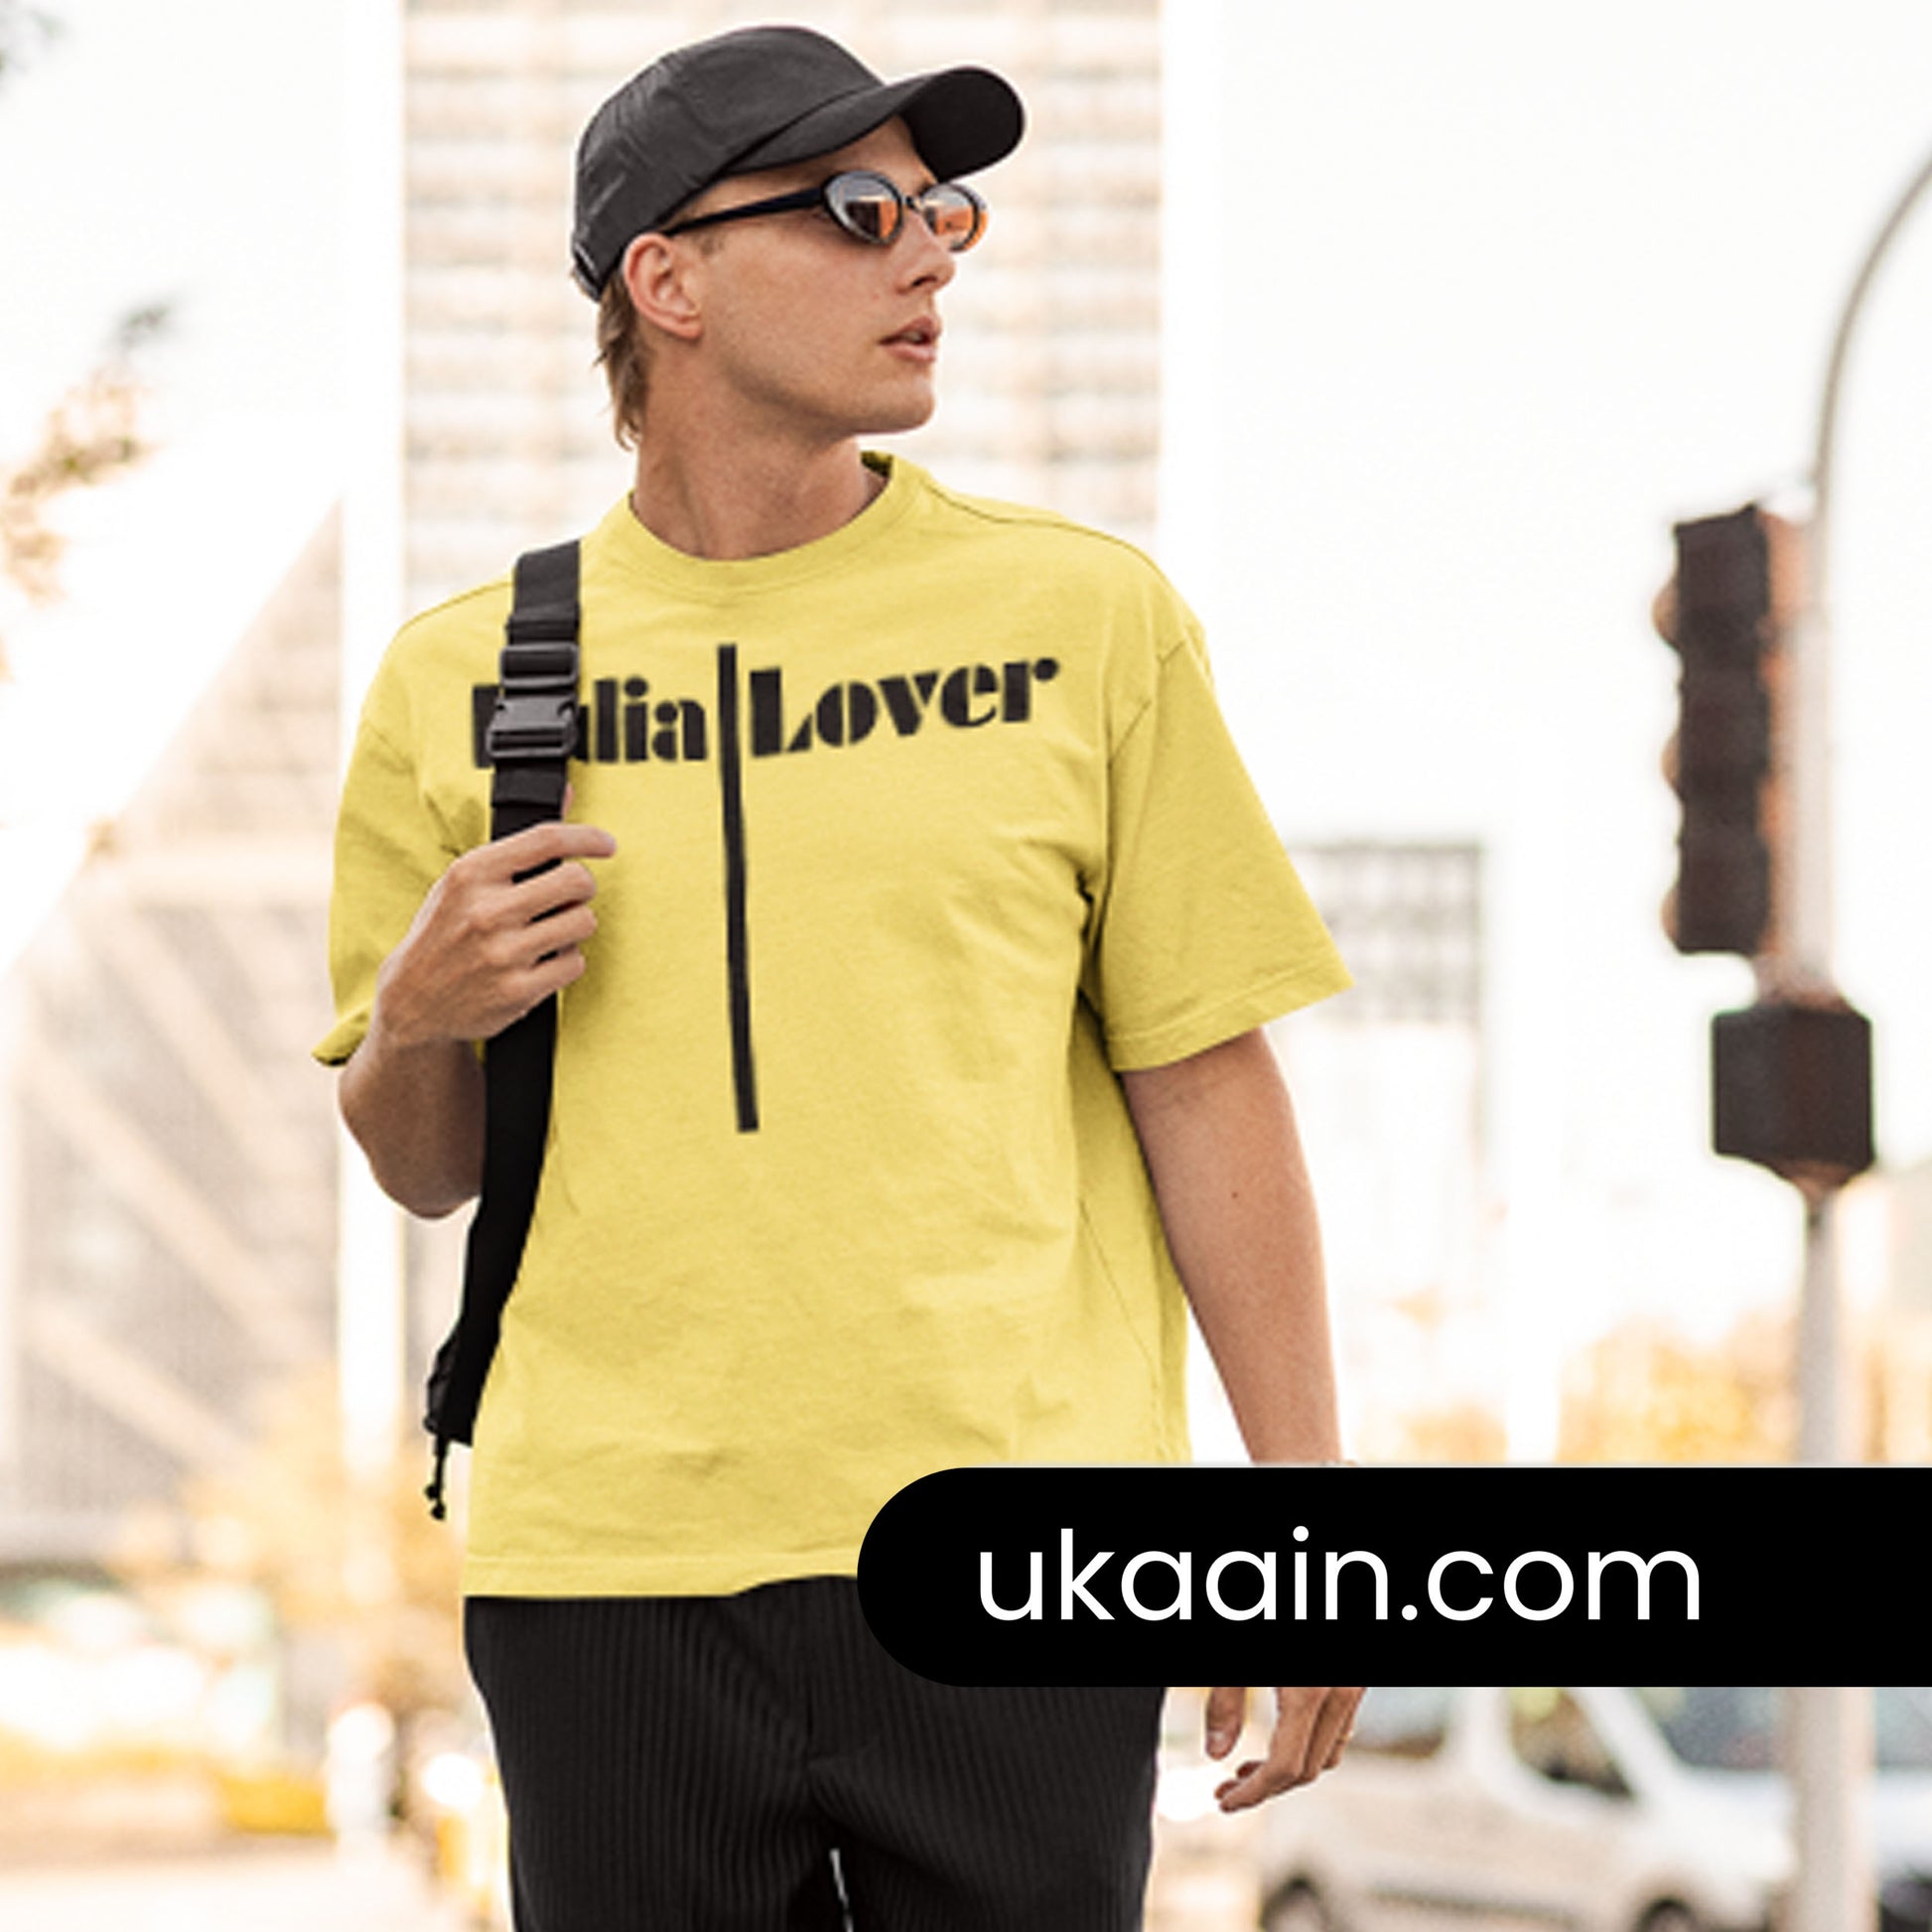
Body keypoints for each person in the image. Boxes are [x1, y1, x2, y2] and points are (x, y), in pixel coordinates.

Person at [318, 23, 1361, 1931]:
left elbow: (1207, 1078)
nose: (931, 253)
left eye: (943, 211)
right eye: (861, 211)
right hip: (609, 1562)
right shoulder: (459, 677)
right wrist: (414, 1017)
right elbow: (423, 1161)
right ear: (670, 280)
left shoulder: (1084, 620)